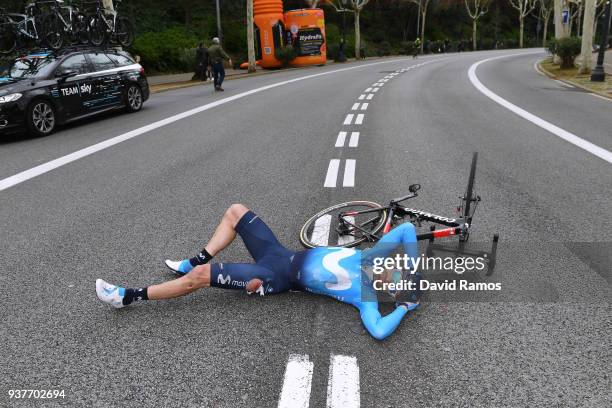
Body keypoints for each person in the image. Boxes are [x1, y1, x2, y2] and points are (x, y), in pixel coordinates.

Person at [96, 204, 423, 341]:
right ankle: (192, 260)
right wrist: (414, 265)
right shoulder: (372, 255)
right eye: (394, 267)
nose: (389, 269)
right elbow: (407, 229)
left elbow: (379, 331)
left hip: (273, 278)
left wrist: (405, 307)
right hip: (279, 253)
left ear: (387, 292)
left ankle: (127, 296)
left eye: (392, 278)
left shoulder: (363, 299)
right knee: (236, 211)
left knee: (201, 279)